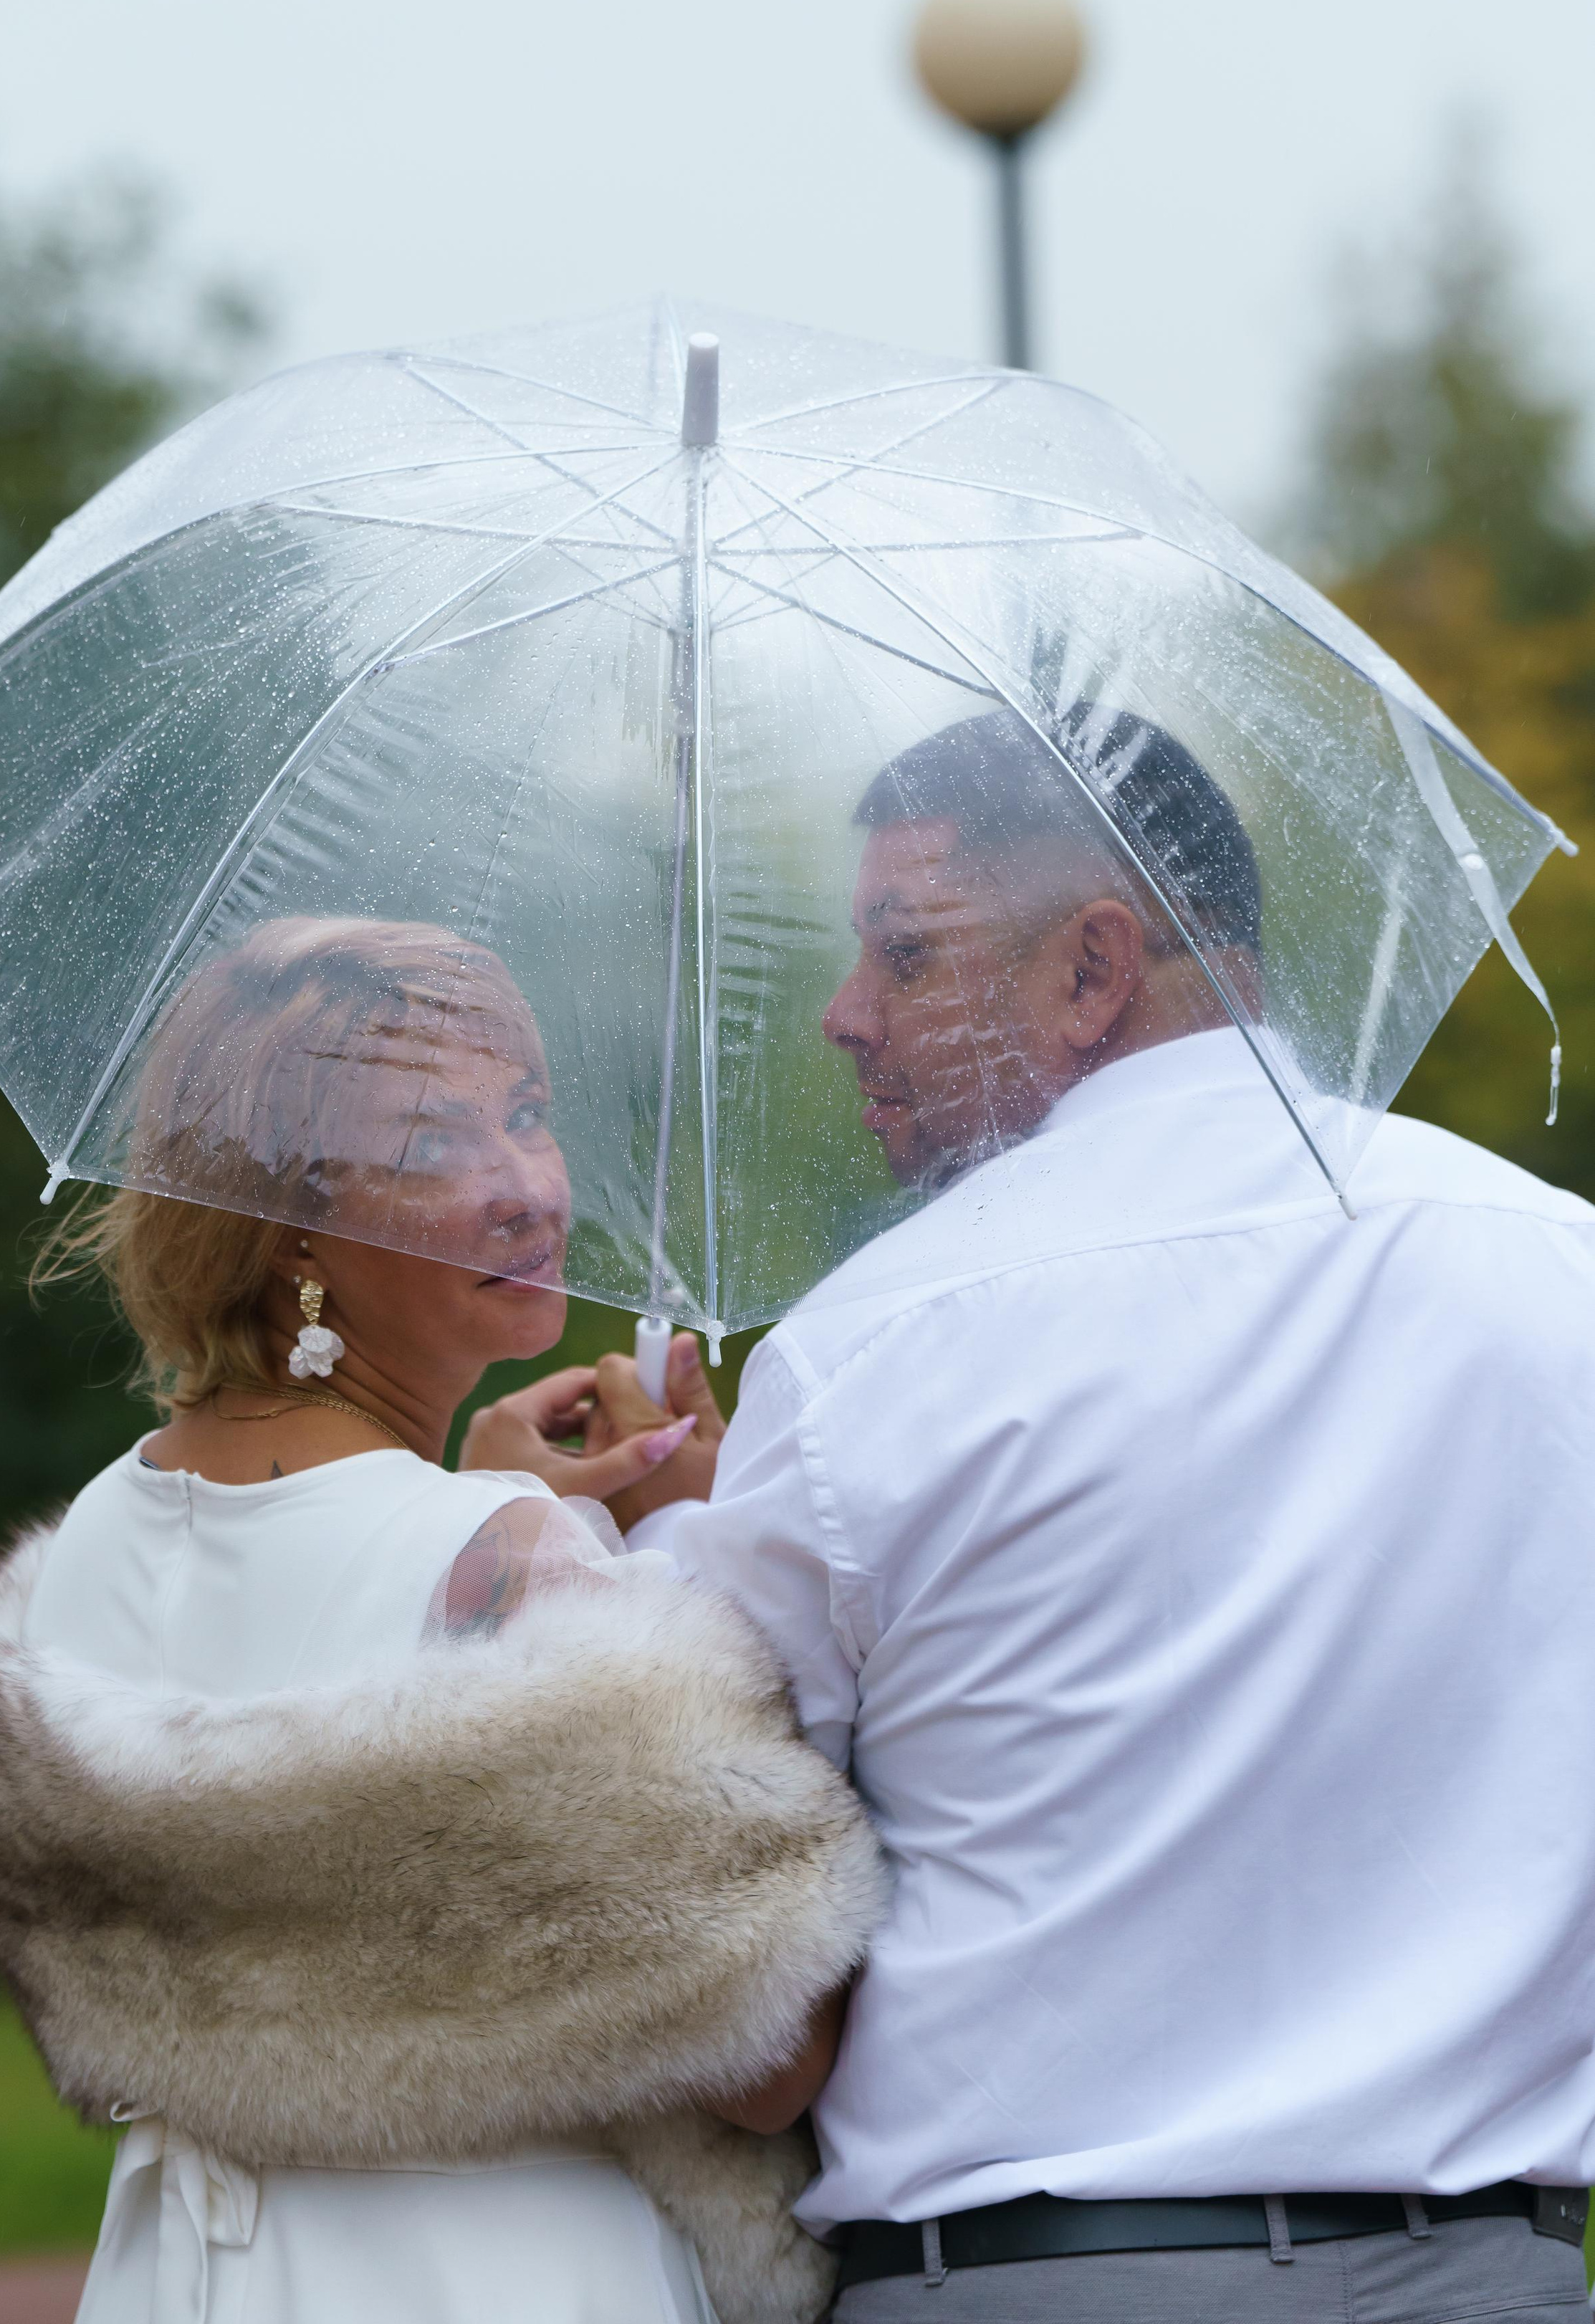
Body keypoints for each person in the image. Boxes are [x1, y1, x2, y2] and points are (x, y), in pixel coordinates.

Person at [468, 705, 1595, 2323]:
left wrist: (601, 1559)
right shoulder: (1553, 1266)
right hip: (1499, 2276)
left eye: (904, 954)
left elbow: (726, 1927)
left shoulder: (877, 1345)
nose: (842, 1017)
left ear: (1090, 968)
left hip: (1035, 2274)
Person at [0, 916, 883, 2324]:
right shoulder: (506, 1560)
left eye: (527, 1113)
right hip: (493, 2267)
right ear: (291, 1223)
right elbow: (770, 2055)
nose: (523, 1185)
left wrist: (493, 1517)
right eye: (431, 1143)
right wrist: (699, 1562)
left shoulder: (84, 1546)